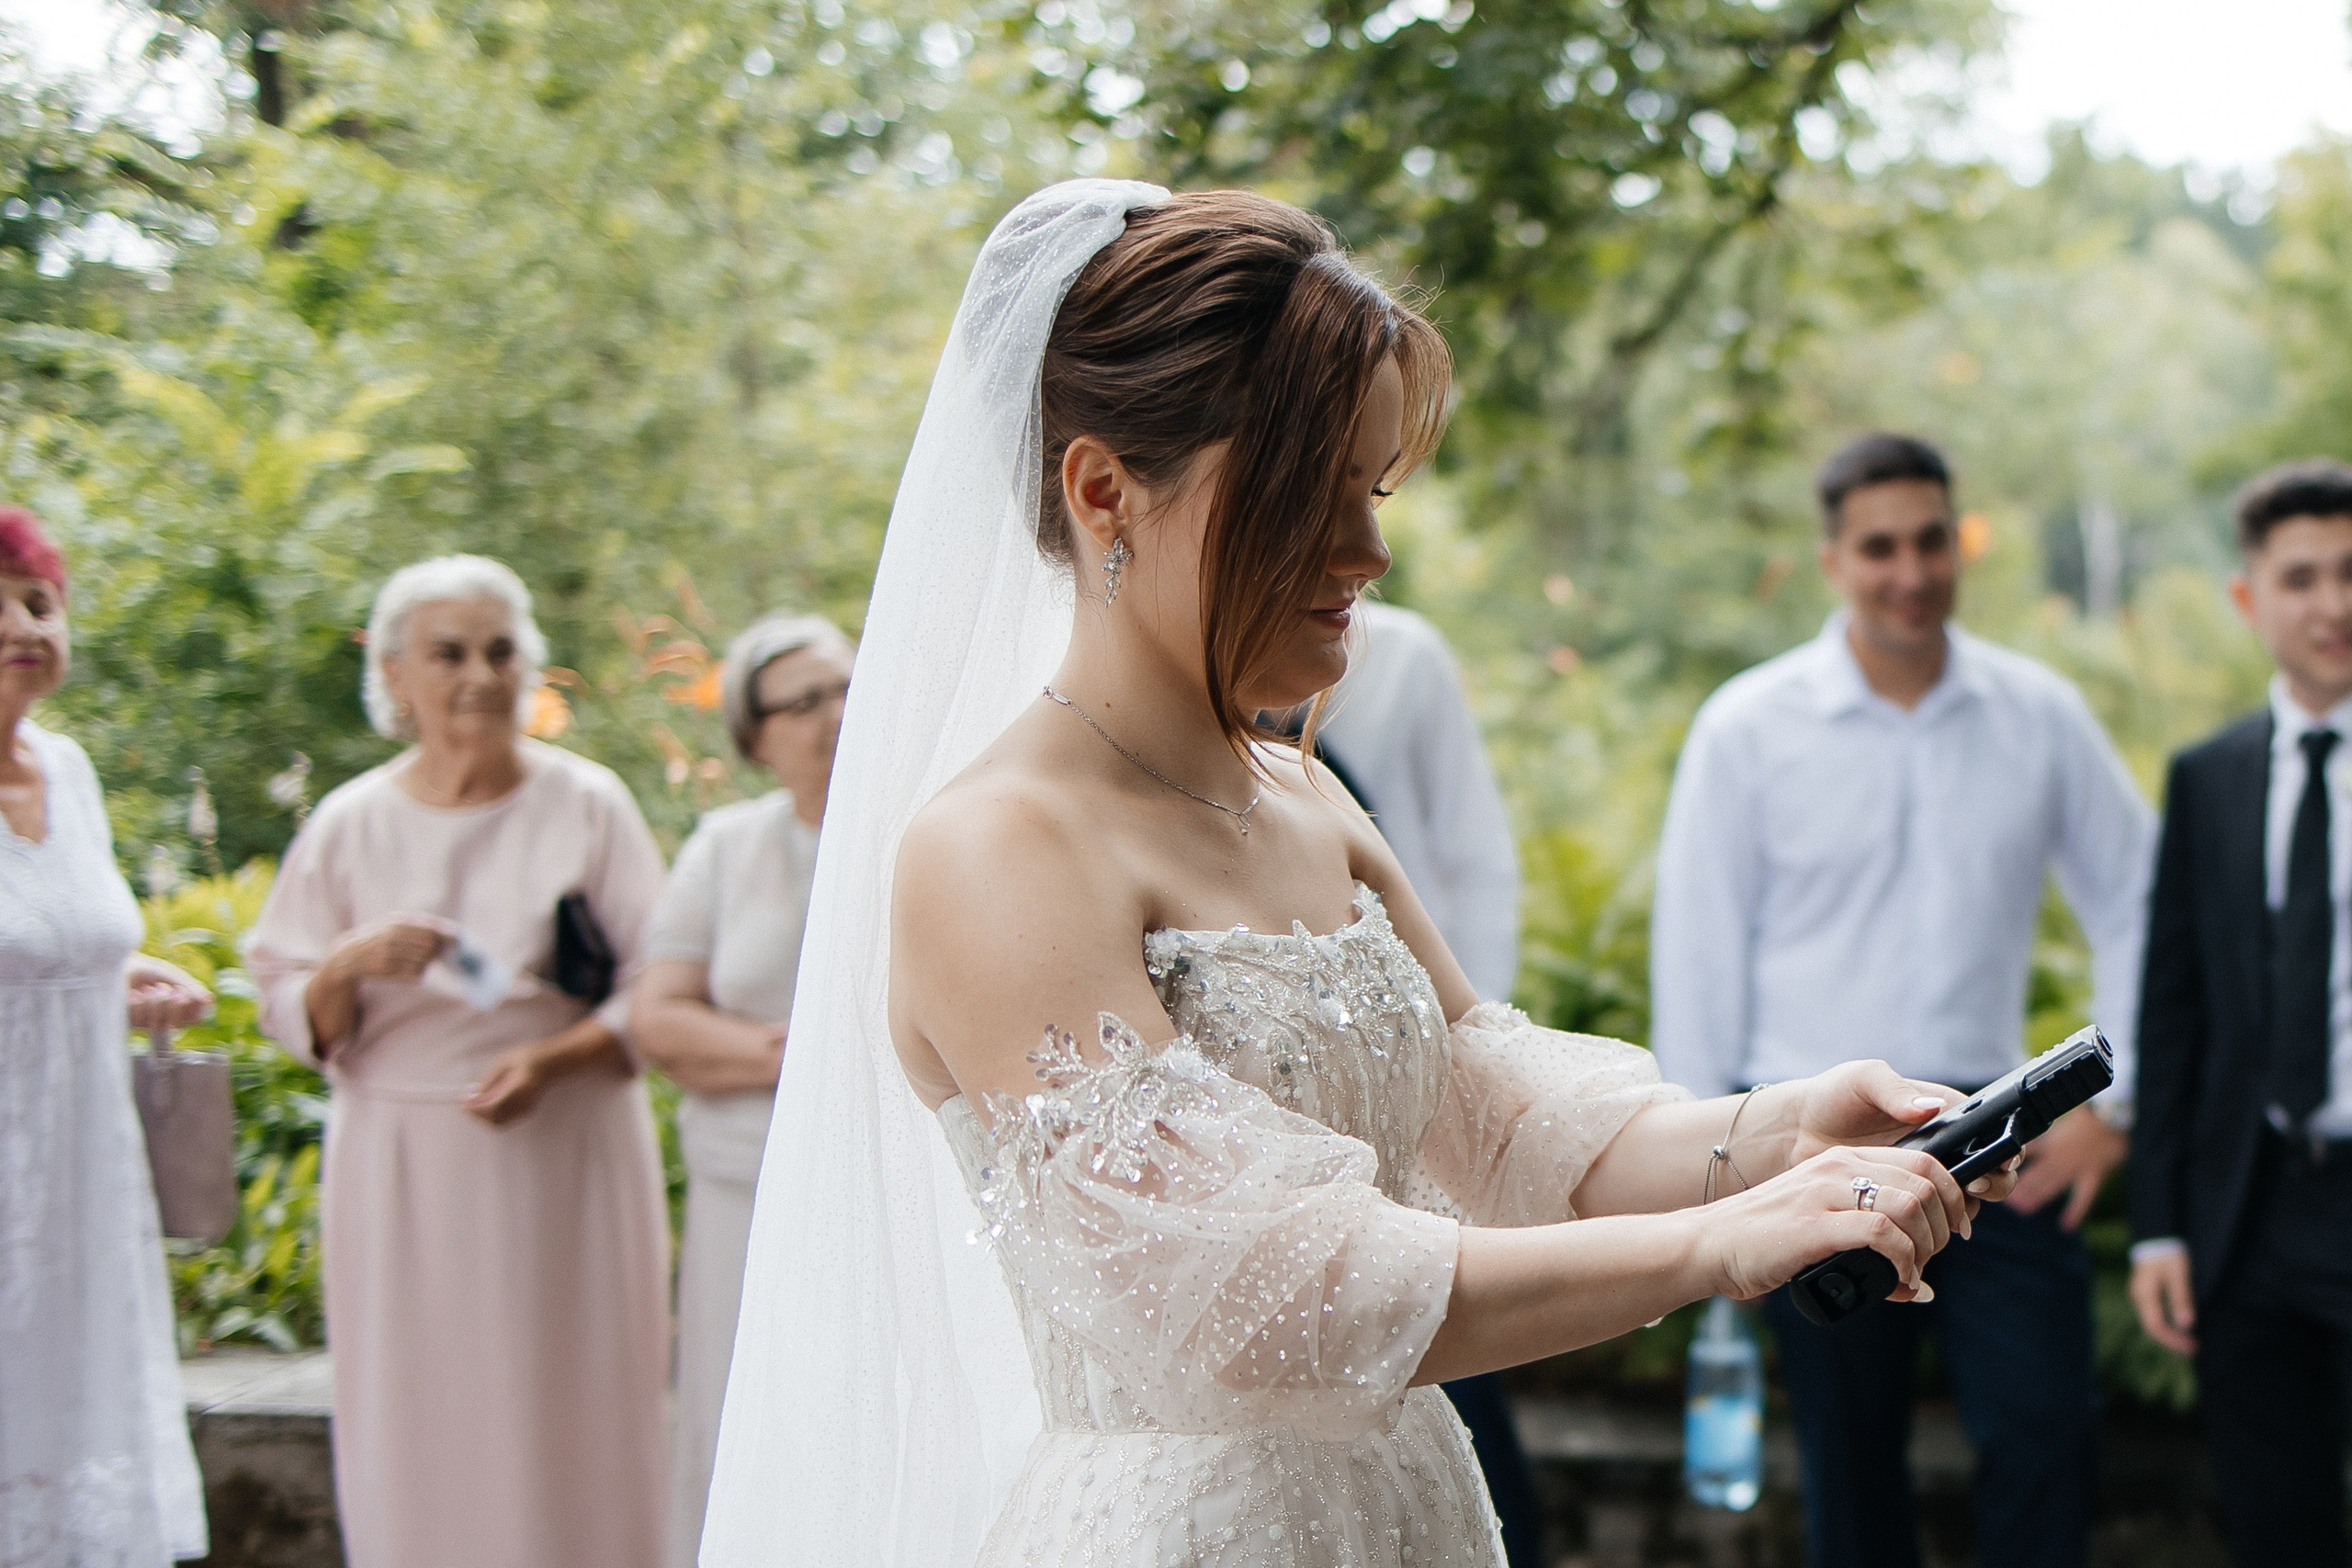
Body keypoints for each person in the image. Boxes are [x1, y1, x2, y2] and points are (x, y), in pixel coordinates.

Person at [701, 183, 2016, 1568]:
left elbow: (1512, 1135)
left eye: (1371, 487)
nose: (1369, 551)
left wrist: (1786, 1129)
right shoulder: (996, 850)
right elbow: (1272, 1292)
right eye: (1307, 490)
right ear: (1103, 491)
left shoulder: (1309, 796)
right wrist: (1726, 1241)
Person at [1650, 432, 2154, 1568]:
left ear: (1957, 542)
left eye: (1931, 541)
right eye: (1879, 548)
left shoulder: (2039, 714)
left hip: (1999, 1138)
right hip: (1807, 1146)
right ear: (1833, 560)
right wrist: (1707, 1185)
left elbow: (2139, 901)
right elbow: (1696, 958)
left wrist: (2117, 1116)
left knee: (2045, 1437)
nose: (1910, 571)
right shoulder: (1748, 726)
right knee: (1848, 1455)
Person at [248, 555, 670, 1568]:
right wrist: (348, 963)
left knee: (569, 1401)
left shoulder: (589, 805)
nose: (479, 674)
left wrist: (555, 1060)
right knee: (418, 1404)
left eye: (500, 651)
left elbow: (659, 984)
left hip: (561, 1145)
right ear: (396, 676)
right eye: (449, 653)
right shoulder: (351, 821)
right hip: (402, 1162)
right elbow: (282, 995)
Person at [2131, 457, 2352, 1565]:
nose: (2333, 604)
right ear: (2248, 597)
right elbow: (2174, 1013)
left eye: (2351, 574)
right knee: (2275, 1521)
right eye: (2301, 577)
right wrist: (2161, 1222)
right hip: (2249, 1208)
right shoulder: (2208, 775)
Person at [0, 505, 214, 1565]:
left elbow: (45, 938)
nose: (20, 624)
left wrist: (120, 976)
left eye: (36, 601)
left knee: (76, 1393)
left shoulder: (70, 773)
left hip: (81, 1172)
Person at [1315, 601, 1540, 1565]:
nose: (1366, 549)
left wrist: (1458, 1049)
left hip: (1419, 1076)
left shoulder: (1401, 664)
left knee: (1464, 1402)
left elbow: (1475, 858)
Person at [633, 612, 853, 1568]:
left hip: (870, 1186)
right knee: (738, 1407)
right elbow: (659, 1021)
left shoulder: (926, 826)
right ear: (755, 735)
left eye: (848, 685)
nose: (836, 713)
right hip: (743, 1188)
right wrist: (801, 1059)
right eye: (806, 701)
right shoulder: (724, 848)